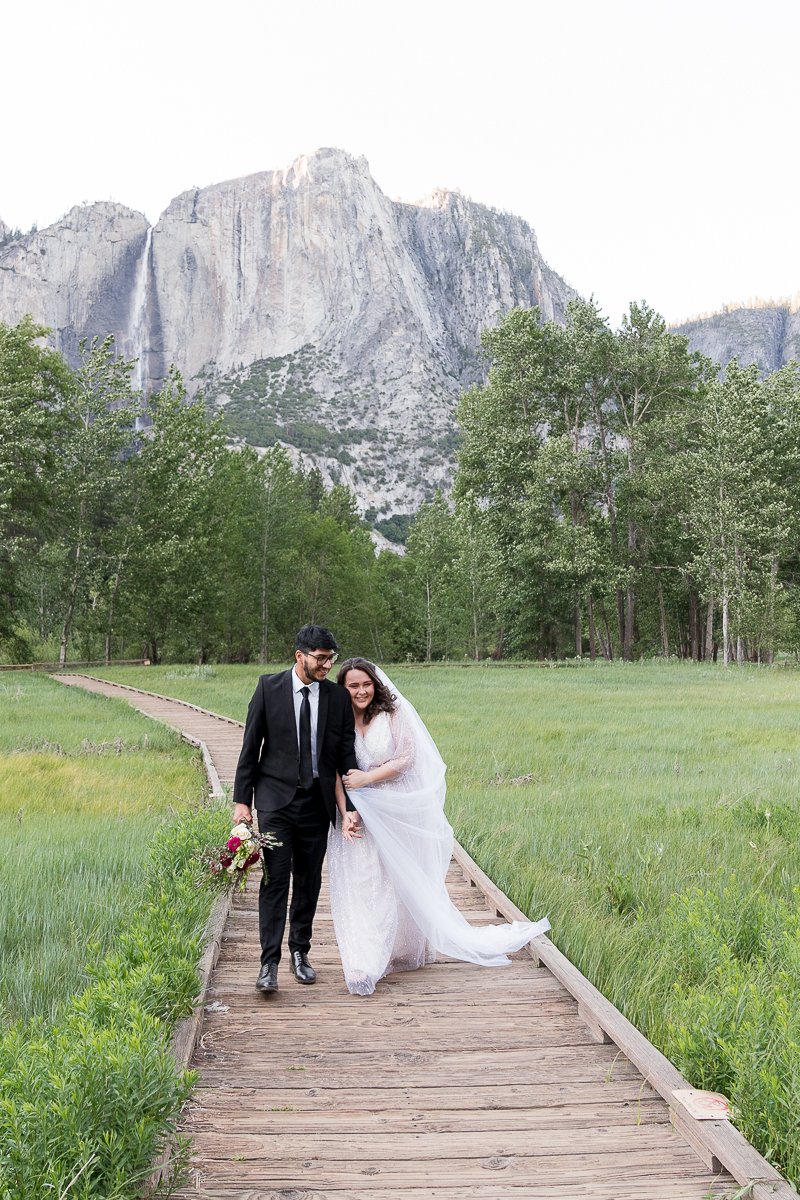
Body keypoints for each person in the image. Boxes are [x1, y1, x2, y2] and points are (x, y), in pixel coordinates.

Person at [327, 658, 550, 995]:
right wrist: (346, 810)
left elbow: (405, 758)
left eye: (366, 684)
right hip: (357, 812)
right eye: (353, 686)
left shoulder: (393, 712)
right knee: (361, 880)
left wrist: (369, 777)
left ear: (375, 684)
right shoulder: (339, 719)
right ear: (343, 689)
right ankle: (364, 961)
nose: (360, 691)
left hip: (393, 806)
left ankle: (401, 947)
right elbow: (334, 770)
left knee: (394, 880)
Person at [232, 625, 361, 994]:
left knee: (309, 881)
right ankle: (268, 964)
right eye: (320, 658)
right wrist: (242, 802)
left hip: (316, 805)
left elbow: (344, 755)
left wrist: (350, 806)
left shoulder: (337, 698)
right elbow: (249, 750)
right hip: (274, 801)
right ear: (299, 655)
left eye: (330, 658)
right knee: (275, 880)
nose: (326, 665)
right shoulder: (268, 688)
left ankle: (300, 953)